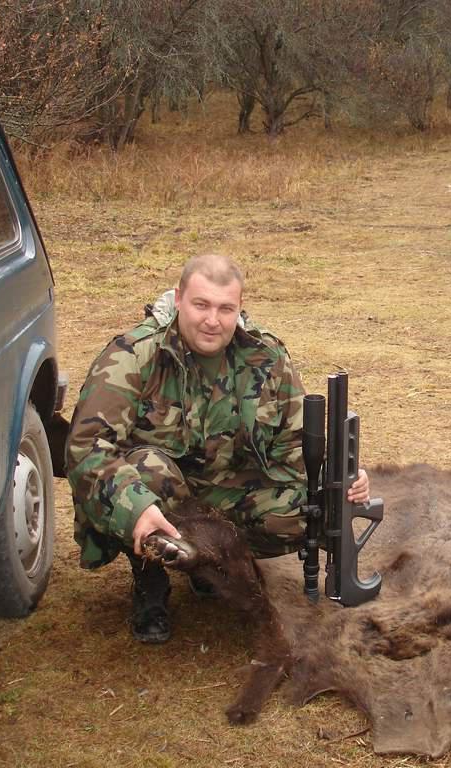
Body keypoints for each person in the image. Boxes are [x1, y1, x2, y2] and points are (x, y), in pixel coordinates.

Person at [65, 253, 369, 643]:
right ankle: (150, 580)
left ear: (239, 308)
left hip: (230, 493)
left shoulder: (267, 357)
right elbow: (87, 447)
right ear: (179, 300)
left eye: (226, 308)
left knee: (314, 508)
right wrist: (135, 509)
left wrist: (339, 478)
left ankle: (211, 564)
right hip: (161, 498)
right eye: (201, 305)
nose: (213, 320)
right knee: (144, 469)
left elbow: (295, 446)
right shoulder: (133, 356)